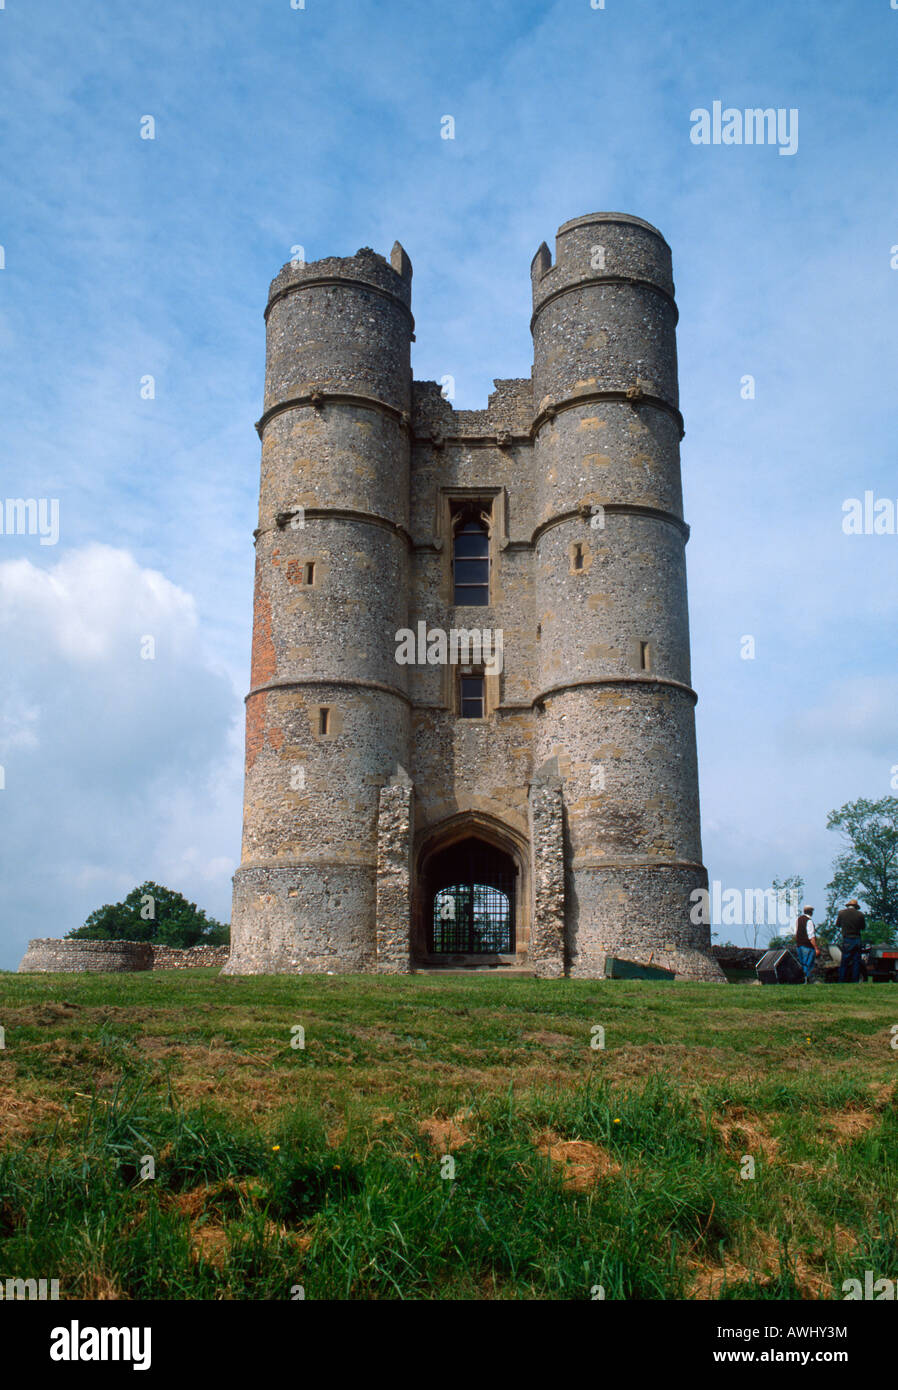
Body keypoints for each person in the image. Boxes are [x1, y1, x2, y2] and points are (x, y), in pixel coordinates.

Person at [836, 898, 866, 982]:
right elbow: (863, 927)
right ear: (856, 907)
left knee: (844, 961)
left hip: (847, 939)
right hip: (857, 938)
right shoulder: (860, 914)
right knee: (856, 961)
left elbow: (838, 925)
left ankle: (841, 979)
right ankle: (855, 980)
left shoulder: (841, 913)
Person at [794, 905, 820, 982]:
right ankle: (807, 980)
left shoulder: (798, 920)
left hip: (799, 945)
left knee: (803, 964)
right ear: (811, 912)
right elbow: (811, 936)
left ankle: (802, 980)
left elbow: (796, 933)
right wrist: (816, 948)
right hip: (807, 946)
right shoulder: (809, 921)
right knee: (808, 964)